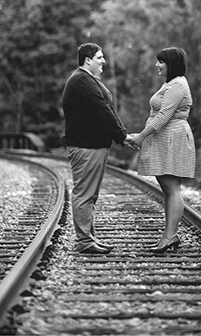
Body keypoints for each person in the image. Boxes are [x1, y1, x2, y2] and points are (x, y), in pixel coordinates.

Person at [62, 43, 134, 254]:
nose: (103, 61)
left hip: (93, 146)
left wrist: (121, 134)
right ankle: (84, 241)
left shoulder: (86, 80)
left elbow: (106, 109)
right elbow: (102, 110)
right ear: (88, 60)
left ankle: (89, 237)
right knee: (84, 193)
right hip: (86, 147)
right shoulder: (82, 80)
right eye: (100, 57)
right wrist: (122, 136)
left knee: (90, 194)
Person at [128, 47, 196, 254]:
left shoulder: (177, 85)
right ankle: (168, 235)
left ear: (171, 64)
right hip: (165, 137)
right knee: (167, 188)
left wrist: (141, 136)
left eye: (161, 62)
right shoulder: (170, 84)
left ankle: (170, 236)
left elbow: (163, 116)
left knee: (172, 188)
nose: (157, 65)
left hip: (172, 138)